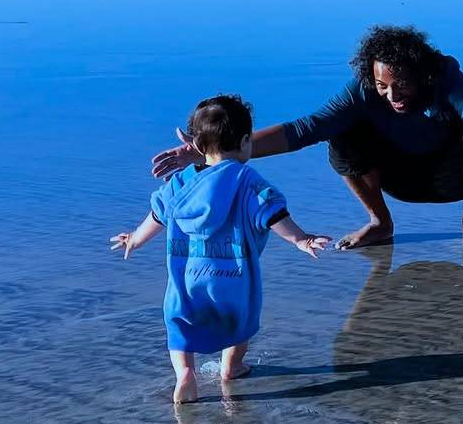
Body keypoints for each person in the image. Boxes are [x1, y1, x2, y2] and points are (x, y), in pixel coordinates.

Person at [152, 25, 463, 254]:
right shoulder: (362, 89)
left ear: (421, 74)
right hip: (395, 177)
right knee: (341, 133)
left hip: (453, 177)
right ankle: (380, 222)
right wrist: (214, 151)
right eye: (382, 86)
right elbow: (307, 128)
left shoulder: (446, 78)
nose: (391, 95)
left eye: (401, 85)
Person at [116, 94, 331, 403]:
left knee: (179, 323)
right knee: (238, 322)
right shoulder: (246, 180)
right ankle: (232, 368)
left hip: (187, 277)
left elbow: (157, 215)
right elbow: (271, 213)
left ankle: (186, 375)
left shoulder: (179, 184)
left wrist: (134, 239)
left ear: (197, 146)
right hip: (232, 274)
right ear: (246, 141)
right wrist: (301, 239)